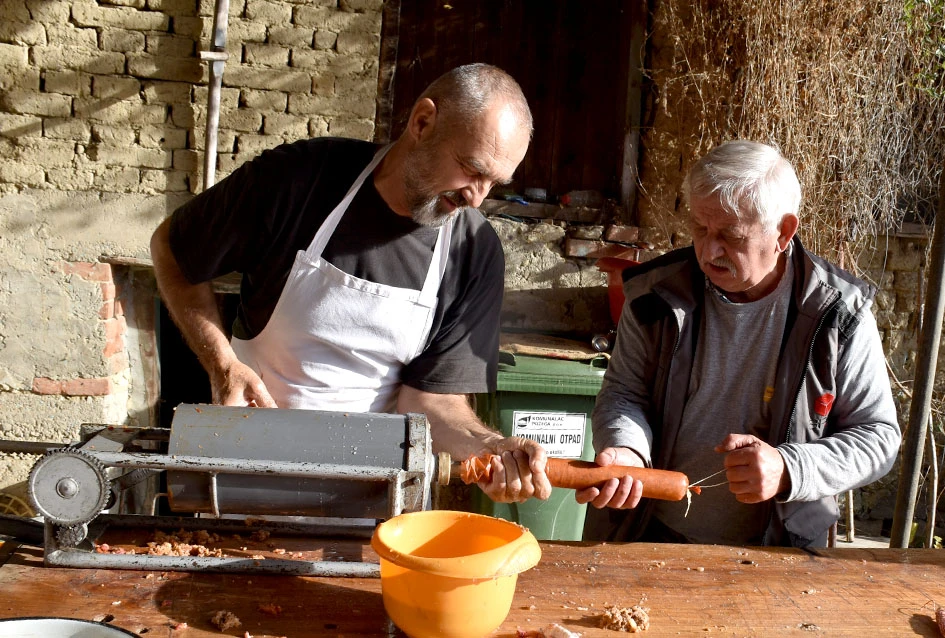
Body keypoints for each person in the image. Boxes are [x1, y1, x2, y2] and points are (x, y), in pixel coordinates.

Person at [150, 63, 551, 504]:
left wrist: (487, 445)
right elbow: (173, 248)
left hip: (373, 496)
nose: (477, 196)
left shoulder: (472, 250)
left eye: (495, 181)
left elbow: (432, 402)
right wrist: (223, 364)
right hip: (243, 474)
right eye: (472, 168)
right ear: (422, 122)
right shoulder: (299, 181)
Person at [581, 140, 901, 547]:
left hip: (780, 552)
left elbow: (878, 437)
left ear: (784, 232)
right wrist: (626, 450)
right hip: (649, 534)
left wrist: (789, 468)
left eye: (730, 236)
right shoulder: (655, 295)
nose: (708, 250)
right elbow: (624, 393)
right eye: (700, 228)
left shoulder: (838, 313)